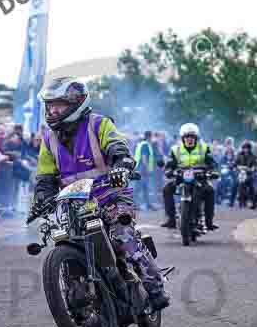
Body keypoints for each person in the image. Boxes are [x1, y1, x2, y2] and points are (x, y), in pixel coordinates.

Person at [29, 77, 170, 311]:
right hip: (74, 206)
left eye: (59, 105)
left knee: (121, 236)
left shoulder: (99, 124)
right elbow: (44, 176)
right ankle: (78, 298)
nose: (52, 110)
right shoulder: (48, 139)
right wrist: (42, 197)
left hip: (111, 195)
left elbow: (119, 148)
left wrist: (122, 165)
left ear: (77, 103)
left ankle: (155, 287)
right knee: (66, 239)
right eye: (49, 105)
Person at [162, 123, 218, 230]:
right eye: (187, 136)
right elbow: (170, 164)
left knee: (210, 190)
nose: (189, 139)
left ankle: (209, 221)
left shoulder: (204, 148)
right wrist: (169, 171)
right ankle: (171, 219)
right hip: (180, 178)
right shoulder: (176, 149)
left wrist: (213, 171)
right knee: (166, 189)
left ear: (196, 138)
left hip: (200, 178)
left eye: (192, 136)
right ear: (183, 138)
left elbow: (212, 163)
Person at [133, 131, 155, 211]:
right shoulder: (145, 145)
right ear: (149, 137)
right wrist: (146, 169)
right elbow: (144, 157)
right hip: (142, 169)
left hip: (140, 168)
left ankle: (148, 204)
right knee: (139, 187)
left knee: (145, 187)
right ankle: (134, 204)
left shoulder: (142, 144)